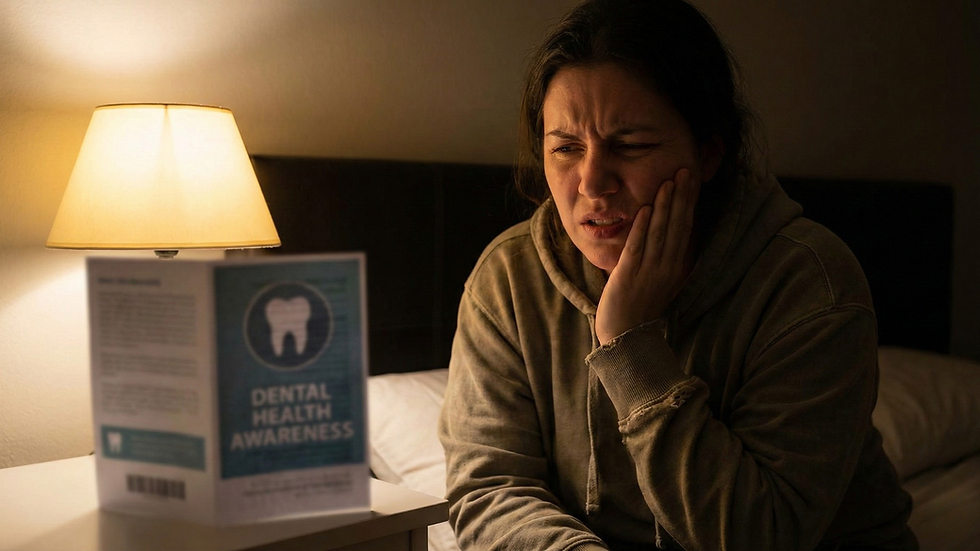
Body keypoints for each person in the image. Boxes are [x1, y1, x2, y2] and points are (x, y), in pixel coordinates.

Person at [438, 0, 917, 549]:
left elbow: (760, 534)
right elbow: (492, 485)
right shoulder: (509, 280)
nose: (592, 183)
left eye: (632, 145)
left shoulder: (808, 284)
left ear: (709, 153)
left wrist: (630, 347)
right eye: (566, 148)